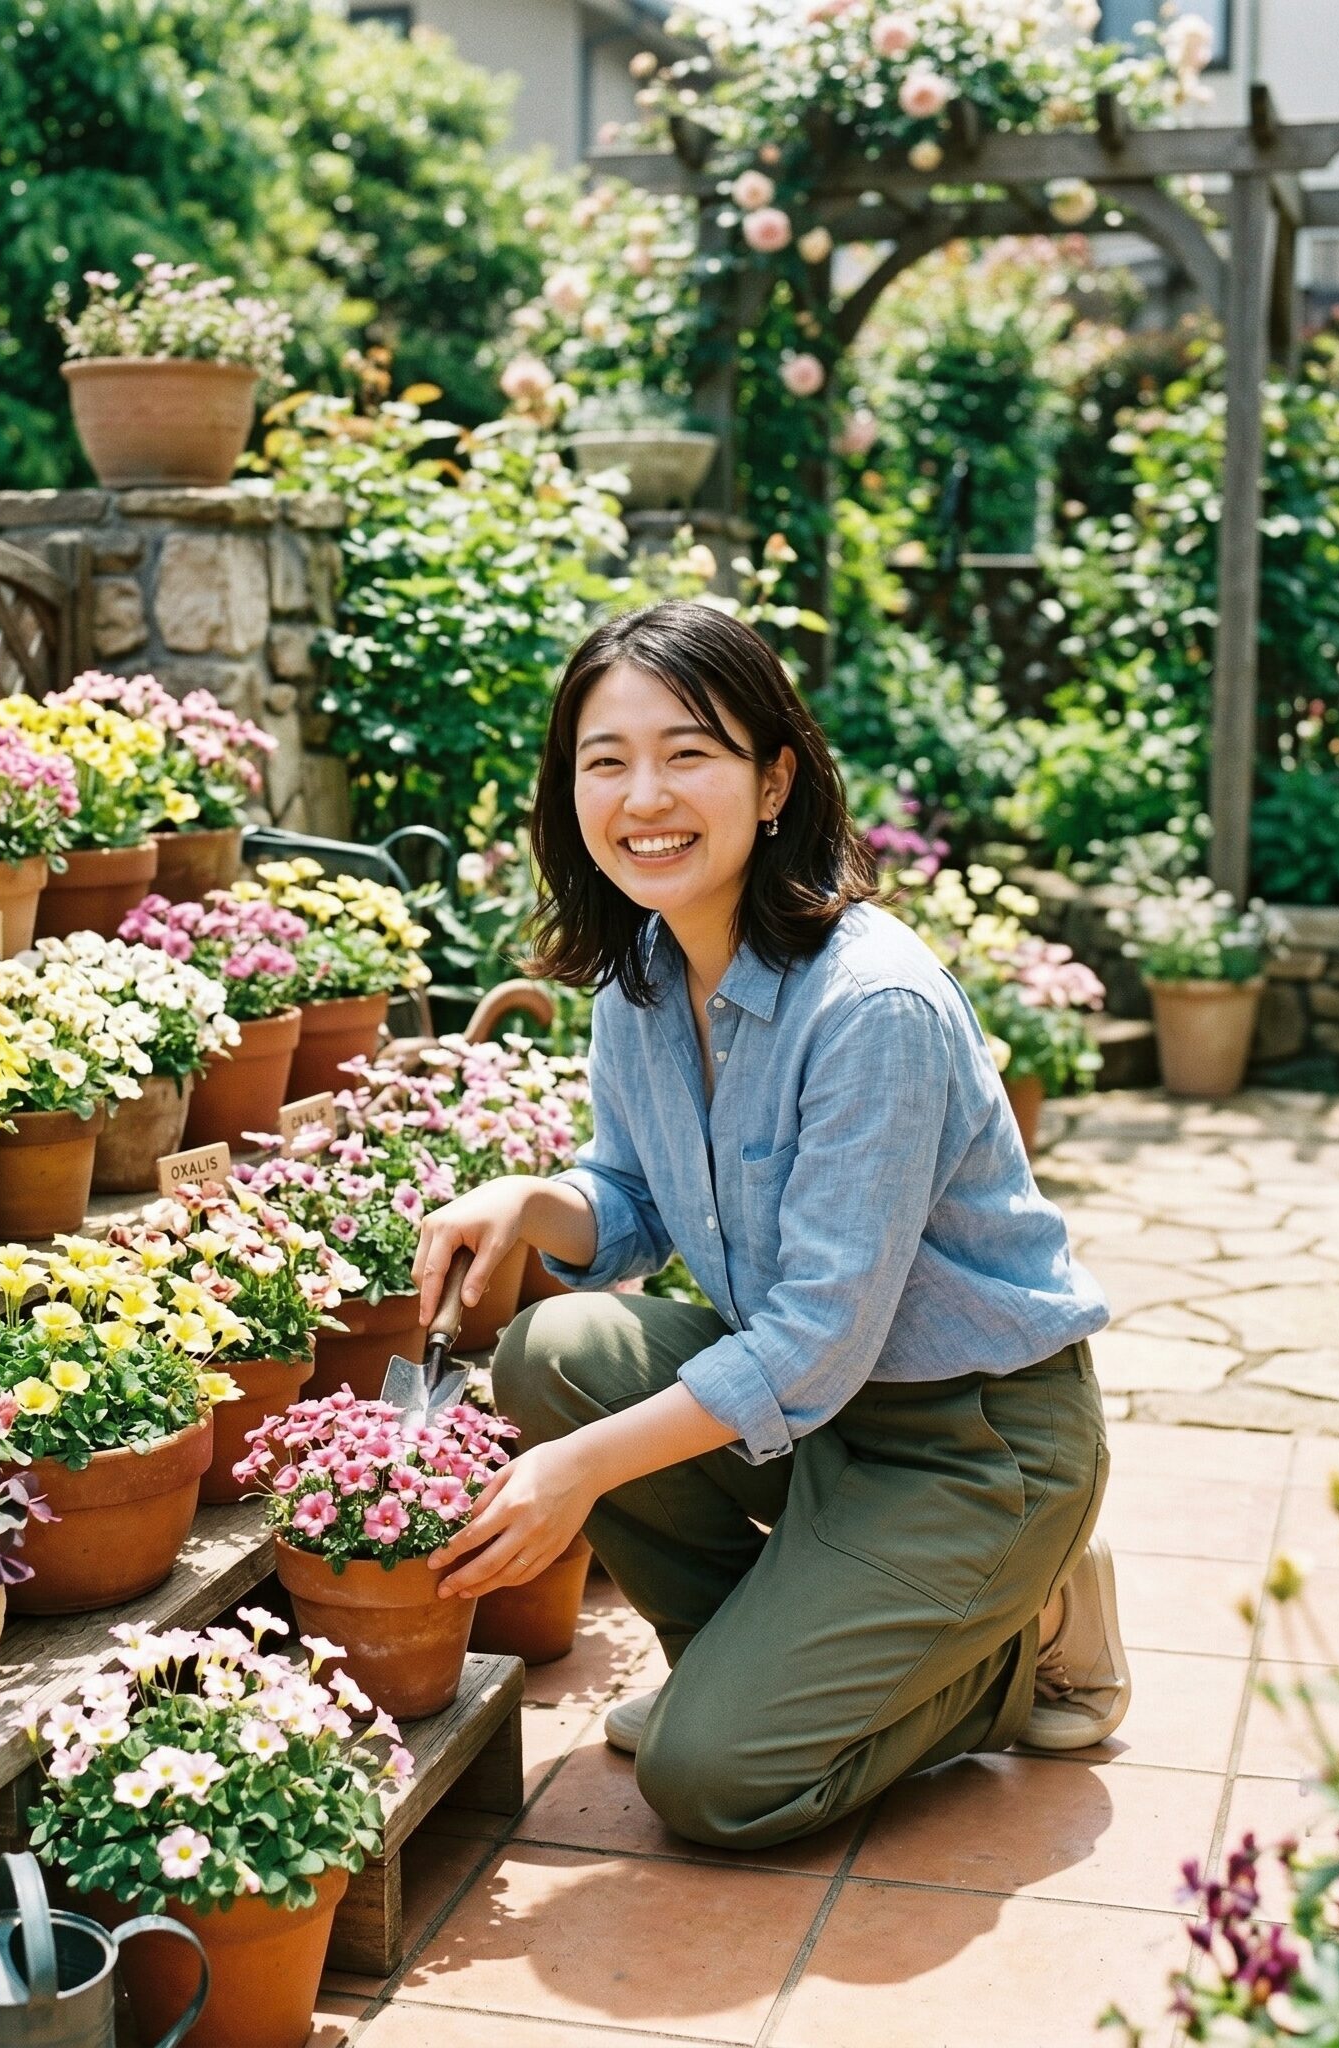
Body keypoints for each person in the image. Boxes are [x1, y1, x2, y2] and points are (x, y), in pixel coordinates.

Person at [412, 600, 1127, 1852]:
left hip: (972, 1439)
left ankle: (1016, 1642)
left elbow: (809, 1339)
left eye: (687, 752)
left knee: (712, 1783)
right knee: (551, 1351)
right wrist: (531, 1200)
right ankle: (774, 1653)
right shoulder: (641, 971)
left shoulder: (872, 1005)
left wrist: (579, 1471)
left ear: (774, 777)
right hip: (821, 1417)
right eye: (605, 760)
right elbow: (631, 1199)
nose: (645, 795)